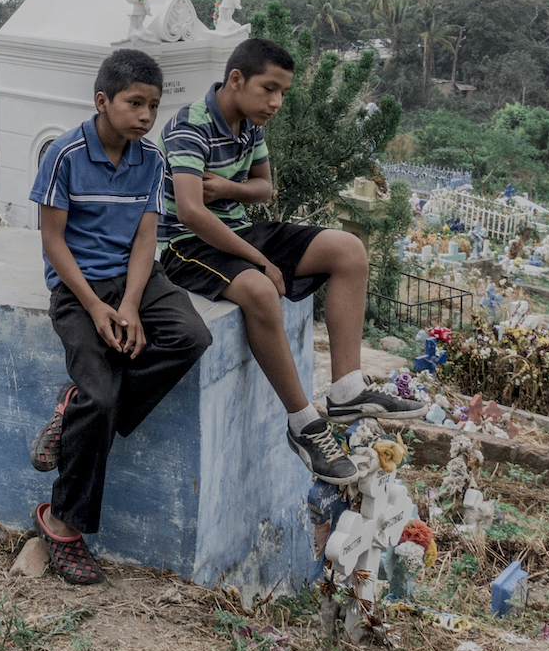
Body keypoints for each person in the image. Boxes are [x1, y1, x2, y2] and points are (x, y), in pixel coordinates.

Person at [157, 36, 426, 485]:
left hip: (240, 231)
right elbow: (190, 212)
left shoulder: (250, 125)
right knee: (260, 290)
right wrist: (258, 260)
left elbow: (266, 188)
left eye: (284, 92)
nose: (277, 102)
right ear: (237, 79)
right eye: (269, 89)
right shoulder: (191, 125)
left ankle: (346, 389)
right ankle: (304, 423)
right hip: (187, 245)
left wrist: (228, 189)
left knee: (349, 251)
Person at [25, 48, 211, 585]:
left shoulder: (151, 160)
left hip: (135, 281)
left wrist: (129, 304)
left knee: (190, 336)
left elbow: (146, 238)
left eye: (153, 105)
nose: (147, 116)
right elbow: (53, 241)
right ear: (103, 101)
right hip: (77, 287)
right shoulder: (63, 155)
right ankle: (62, 524)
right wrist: (97, 307)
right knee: (101, 396)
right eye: (135, 103)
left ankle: (75, 411)